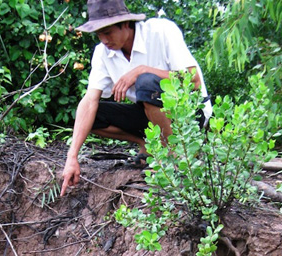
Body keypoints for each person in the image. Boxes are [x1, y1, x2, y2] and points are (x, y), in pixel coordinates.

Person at [60, 0, 212, 196]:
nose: (104, 40)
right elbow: (90, 101)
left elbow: (194, 80)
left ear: (125, 24)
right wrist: (72, 157)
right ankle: (147, 145)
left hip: (189, 116)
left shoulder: (161, 31)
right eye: (99, 34)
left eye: (107, 32)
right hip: (150, 116)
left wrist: (142, 70)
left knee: (146, 82)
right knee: (90, 115)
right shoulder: (102, 53)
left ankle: (171, 156)